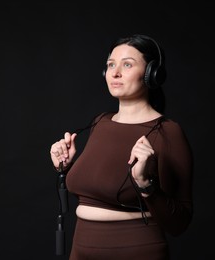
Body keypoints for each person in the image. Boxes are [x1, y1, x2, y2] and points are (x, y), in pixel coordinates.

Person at [49, 34, 193, 259]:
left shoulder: (167, 131)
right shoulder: (100, 122)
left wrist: (146, 186)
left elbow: (180, 223)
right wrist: (66, 167)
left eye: (127, 64)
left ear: (151, 74)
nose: (115, 73)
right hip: (81, 250)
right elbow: (98, 188)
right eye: (110, 65)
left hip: (135, 251)